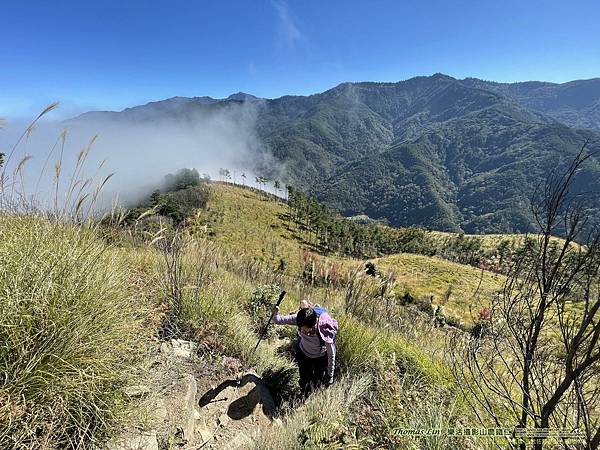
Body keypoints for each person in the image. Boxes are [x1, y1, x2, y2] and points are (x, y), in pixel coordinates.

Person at [271, 300, 338, 397]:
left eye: (304, 328)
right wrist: (274, 313)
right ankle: (304, 393)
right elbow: (278, 320)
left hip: (320, 358)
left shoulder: (324, 331)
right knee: (304, 379)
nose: (301, 329)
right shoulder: (300, 319)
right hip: (303, 354)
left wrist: (330, 375)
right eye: (300, 326)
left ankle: (312, 393)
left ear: (313, 324)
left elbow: (331, 354)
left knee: (317, 379)